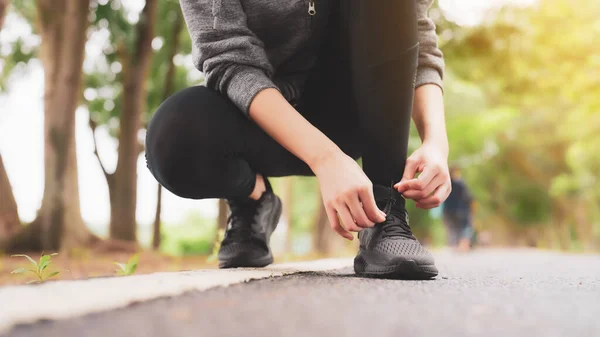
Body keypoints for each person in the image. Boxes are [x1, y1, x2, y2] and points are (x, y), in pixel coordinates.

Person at [145, 0, 450, 280]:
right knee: (173, 140)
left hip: (358, 111)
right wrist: (324, 157)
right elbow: (227, 58)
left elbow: (416, 39)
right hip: (262, 115)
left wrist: (436, 142)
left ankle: (385, 211)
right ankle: (254, 199)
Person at [442, 167, 475, 251]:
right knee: (465, 227)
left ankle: (455, 245)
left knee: (453, 228)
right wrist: (472, 209)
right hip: (461, 209)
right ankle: (463, 245)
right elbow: (468, 197)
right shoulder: (461, 183)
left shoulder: (446, 183)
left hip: (449, 210)